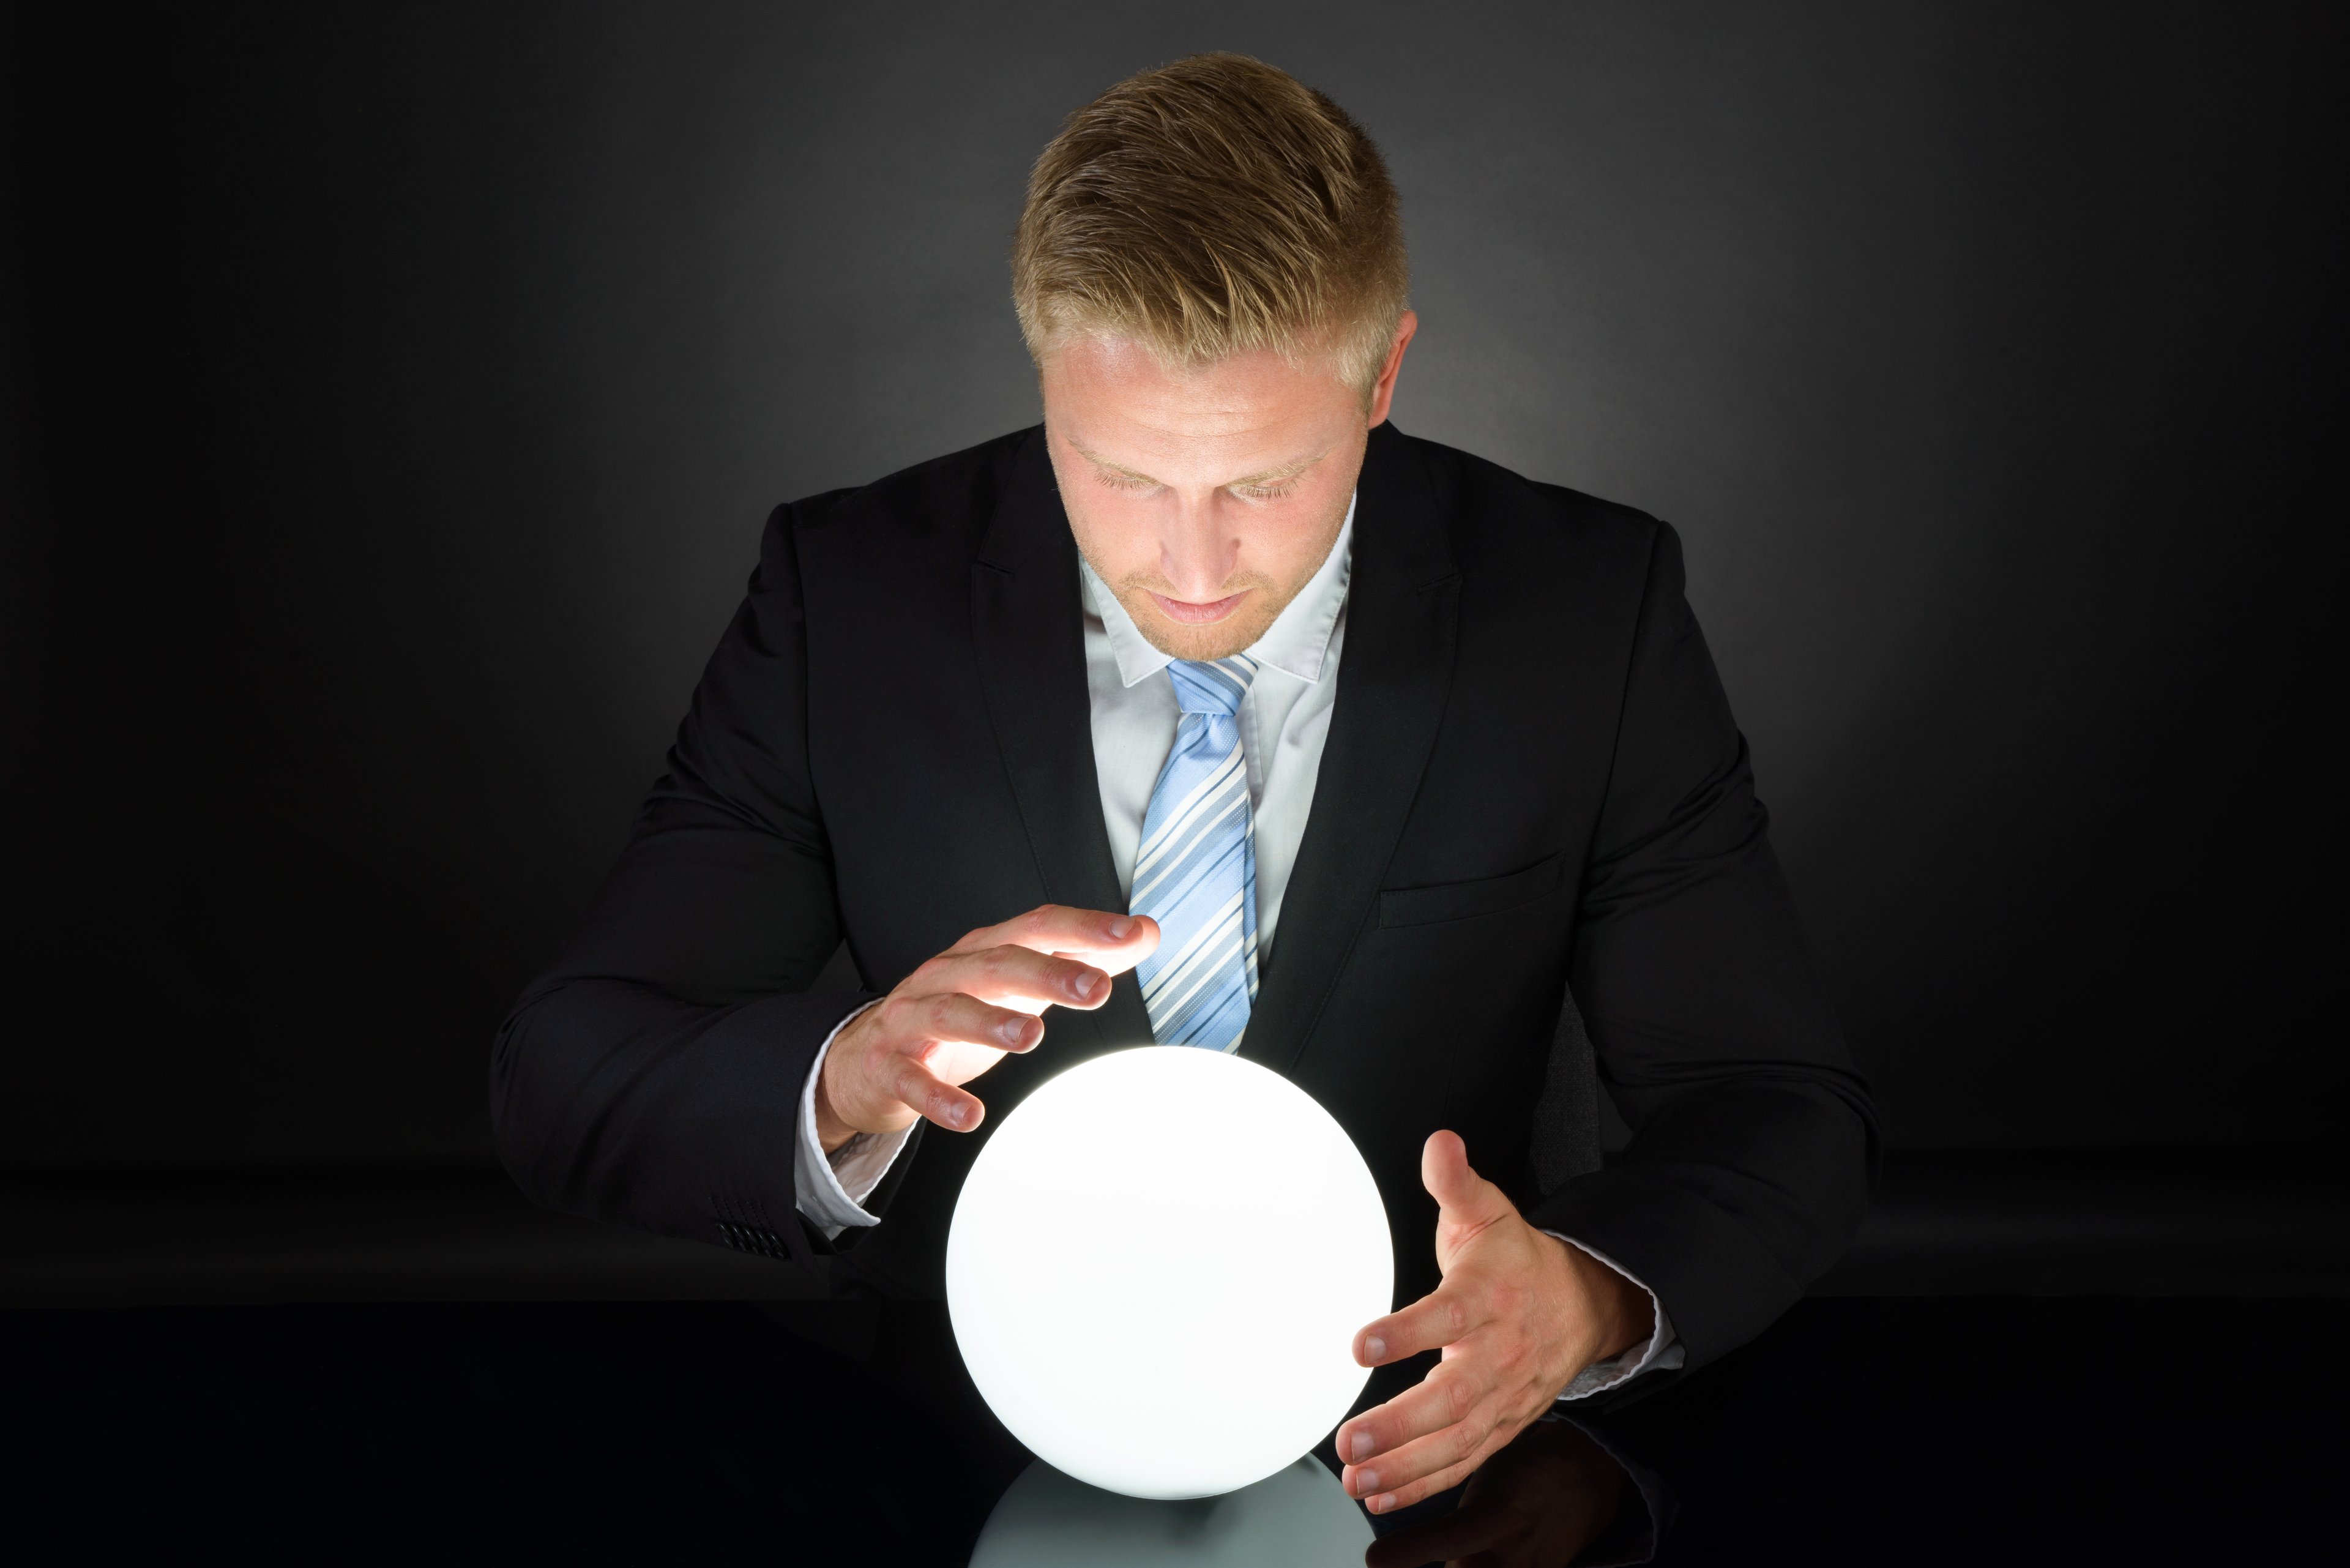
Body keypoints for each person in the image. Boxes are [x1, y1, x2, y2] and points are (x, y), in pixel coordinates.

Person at [493, 52, 1875, 1517]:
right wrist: (845, 1076)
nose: (1196, 569)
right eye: (1124, 477)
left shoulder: (1584, 610)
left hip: (1433, 1475)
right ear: (1046, 378)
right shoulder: (851, 599)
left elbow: (1774, 1101)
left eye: (1264, 484)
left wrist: (1585, 1301)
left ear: (1385, 374)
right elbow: (566, 1070)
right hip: (961, 1464)